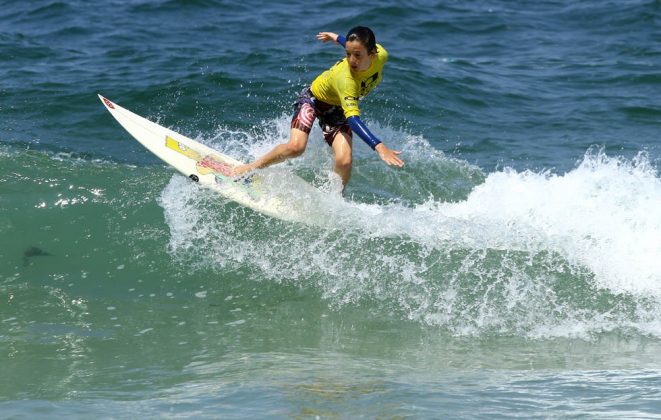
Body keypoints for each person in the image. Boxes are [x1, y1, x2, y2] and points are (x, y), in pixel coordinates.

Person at [233, 26, 404, 188]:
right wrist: (379, 147)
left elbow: (354, 46)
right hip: (313, 100)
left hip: (336, 109)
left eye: (357, 55)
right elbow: (352, 119)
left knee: (344, 161)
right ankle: (251, 167)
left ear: (373, 54)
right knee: (295, 148)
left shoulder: (381, 55)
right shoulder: (346, 79)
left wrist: (336, 38)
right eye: (348, 54)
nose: (352, 60)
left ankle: (335, 198)